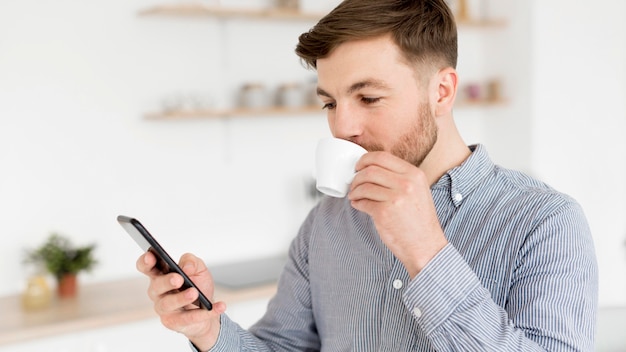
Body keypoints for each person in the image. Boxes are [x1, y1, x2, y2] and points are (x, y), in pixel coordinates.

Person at [136, 0, 598, 351]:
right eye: (330, 103)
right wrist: (208, 329)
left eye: (369, 98)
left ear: (441, 91)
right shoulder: (326, 224)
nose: (342, 127)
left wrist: (426, 253)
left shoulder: (546, 222)